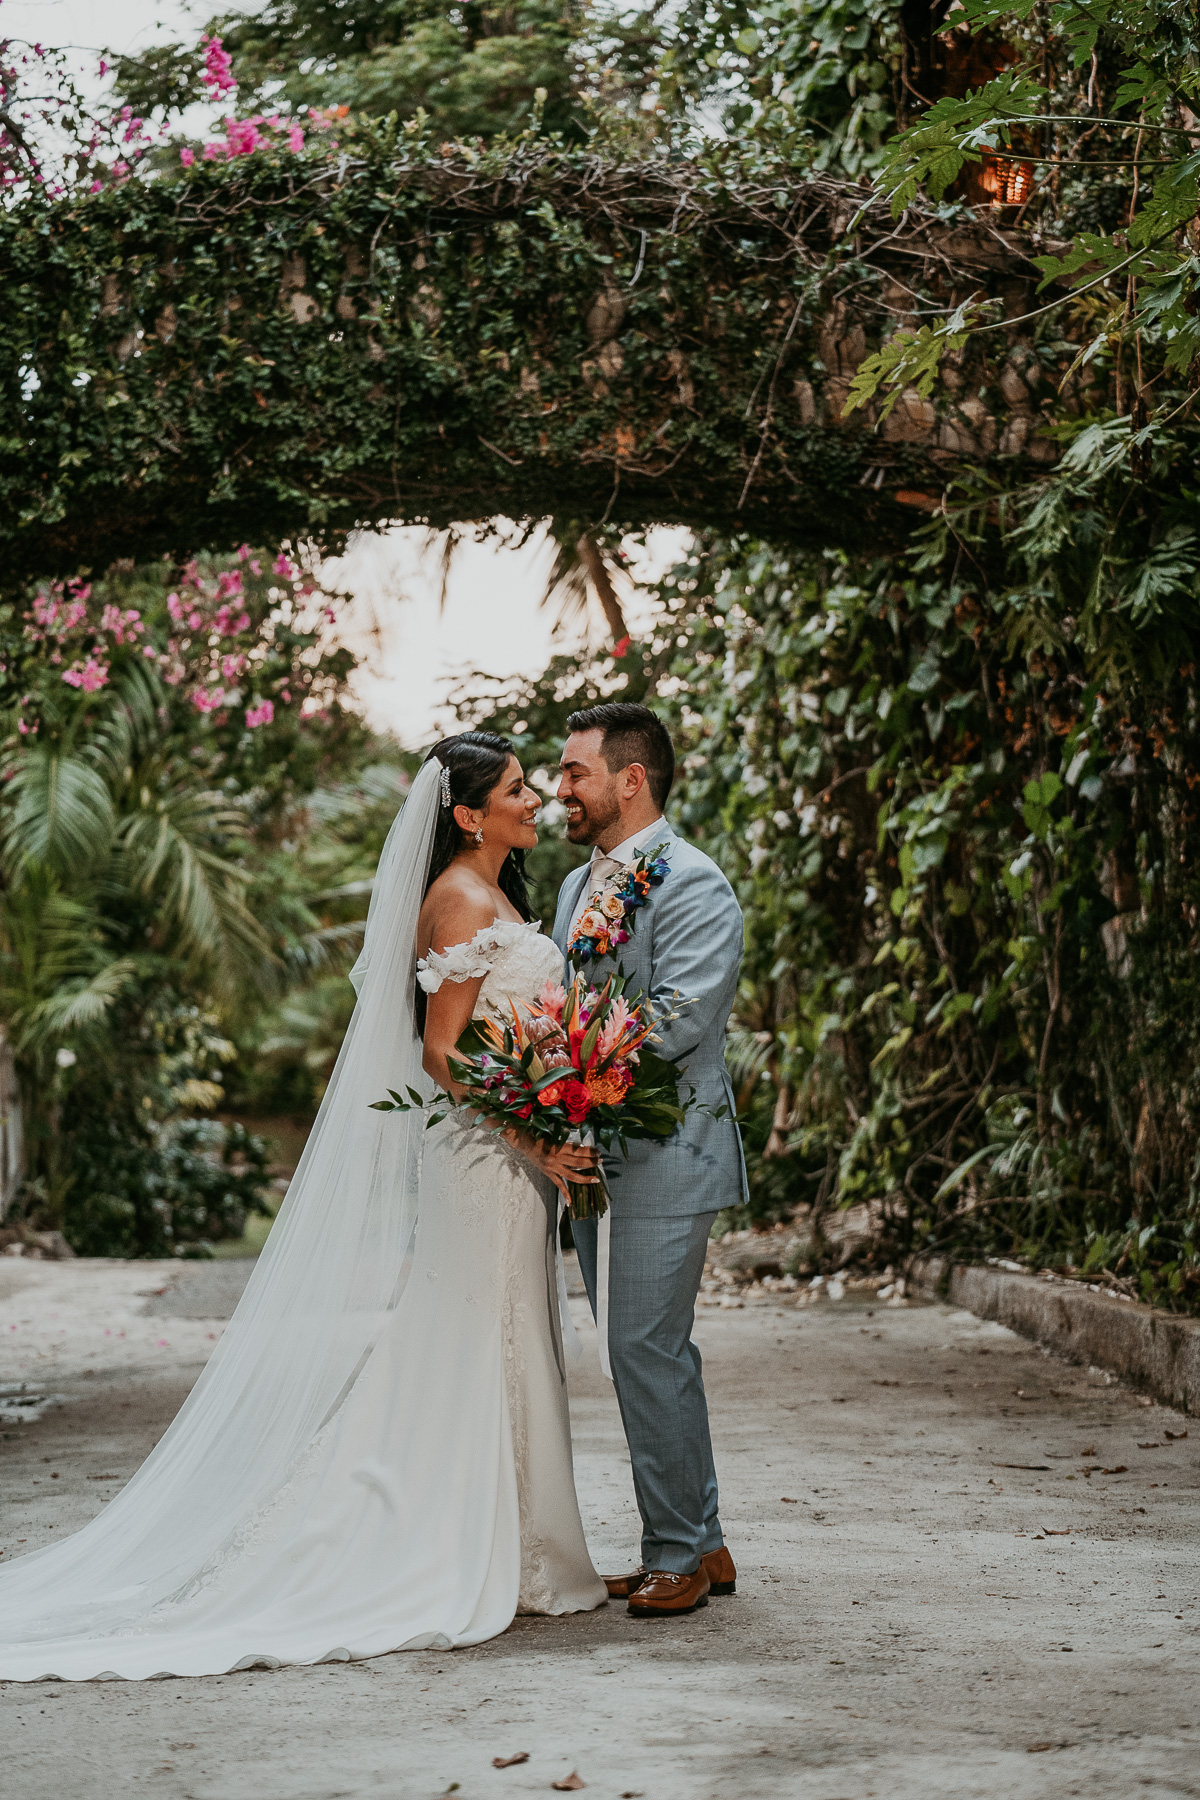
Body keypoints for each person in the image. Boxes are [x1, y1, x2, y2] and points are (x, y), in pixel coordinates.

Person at [0, 734, 606, 1681]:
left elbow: (506, 1031)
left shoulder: (502, 896)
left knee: (509, 1324)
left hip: (510, 1151)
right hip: (484, 1153)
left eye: (534, 787)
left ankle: (521, 1542)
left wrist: (557, 1098)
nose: (535, 801)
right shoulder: (456, 898)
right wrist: (534, 1133)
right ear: (467, 814)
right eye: (518, 790)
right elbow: (439, 1052)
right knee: (478, 1325)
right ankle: (458, 1546)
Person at [553, 702, 746, 1618]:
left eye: (575, 773)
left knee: (643, 1345)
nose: (561, 790)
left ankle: (676, 1548)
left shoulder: (695, 883)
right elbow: (565, 996)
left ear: (631, 780)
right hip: (594, 1158)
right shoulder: (572, 886)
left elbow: (680, 1016)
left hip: (670, 1150)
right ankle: (697, 1543)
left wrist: (566, 1074)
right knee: (639, 1353)